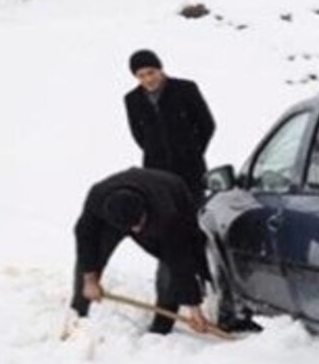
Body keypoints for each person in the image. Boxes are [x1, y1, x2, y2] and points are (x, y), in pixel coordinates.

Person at [71, 167, 214, 335]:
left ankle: (162, 326)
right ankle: (77, 313)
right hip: (120, 207)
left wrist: (194, 308)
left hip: (172, 197)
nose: (137, 230)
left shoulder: (167, 212)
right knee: (92, 257)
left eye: (139, 223)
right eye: (132, 227)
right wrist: (89, 279)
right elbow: (85, 238)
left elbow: (179, 259)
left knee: (171, 266)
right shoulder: (97, 199)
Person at [124, 49, 216, 203]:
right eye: (141, 75)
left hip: (190, 170)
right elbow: (138, 133)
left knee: (195, 212)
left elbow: (206, 124)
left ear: (160, 69)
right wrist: (155, 151)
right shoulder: (132, 99)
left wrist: (193, 151)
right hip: (156, 172)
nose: (148, 79)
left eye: (151, 72)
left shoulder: (186, 89)